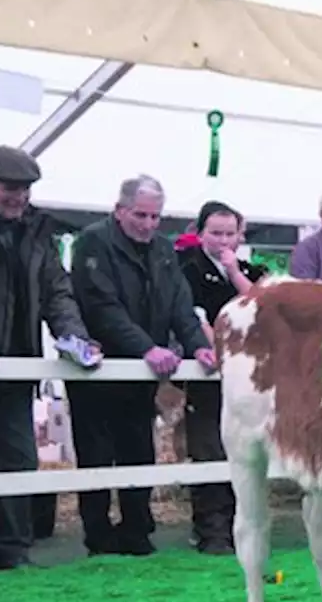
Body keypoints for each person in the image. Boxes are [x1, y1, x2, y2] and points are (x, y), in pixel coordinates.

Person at [0, 146, 96, 573]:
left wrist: (75, 339)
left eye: (26, 189)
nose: (19, 197)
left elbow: (57, 291)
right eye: (10, 188)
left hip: (16, 364)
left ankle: (14, 552)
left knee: (19, 459)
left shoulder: (36, 229)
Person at [69, 175, 215, 557]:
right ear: (120, 211)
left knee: (138, 448)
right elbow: (102, 307)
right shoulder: (92, 243)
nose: (149, 224)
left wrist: (198, 346)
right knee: (97, 453)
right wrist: (147, 348)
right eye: (141, 215)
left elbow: (181, 306)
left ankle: (137, 531)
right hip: (97, 373)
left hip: (141, 375)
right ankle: (98, 536)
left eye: (155, 216)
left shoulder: (164, 251)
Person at [178, 201, 267, 554]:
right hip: (209, 370)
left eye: (230, 233)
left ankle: (245, 523)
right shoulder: (186, 269)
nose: (223, 240)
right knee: (208, 445)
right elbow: (191, 314)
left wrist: (234, 272)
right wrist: (212, 346)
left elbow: (262, 305)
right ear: (200, 233)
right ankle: (212, 529)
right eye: (216, 233)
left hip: (250, 376)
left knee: (246, 449)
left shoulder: (251, 270)